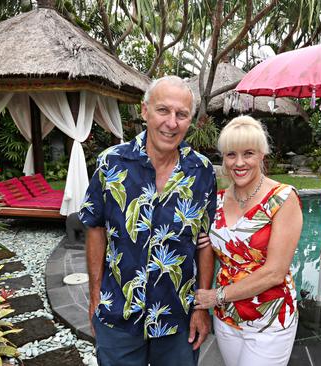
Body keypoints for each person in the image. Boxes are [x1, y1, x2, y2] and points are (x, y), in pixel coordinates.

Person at [79, 75, 217, 366]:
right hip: (118, 312)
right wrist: (95, 298)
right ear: (144, 111)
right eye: (163, 110)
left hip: (178, 318)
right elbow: (95, 228)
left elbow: (205, 243)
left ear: (190, 121)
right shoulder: (111, 163)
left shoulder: (201, 172)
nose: (172, 122)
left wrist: (202, 308)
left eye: (182, 115)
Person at [194, 116, 303, 366]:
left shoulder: (283, 198)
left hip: (269, 320)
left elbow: (274, 273)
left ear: (262, 155)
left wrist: (215, 296)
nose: (239, 163)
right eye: (231, 155)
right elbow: (209, 248)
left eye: (249, 153)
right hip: (227, 318)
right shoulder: (217, 201)